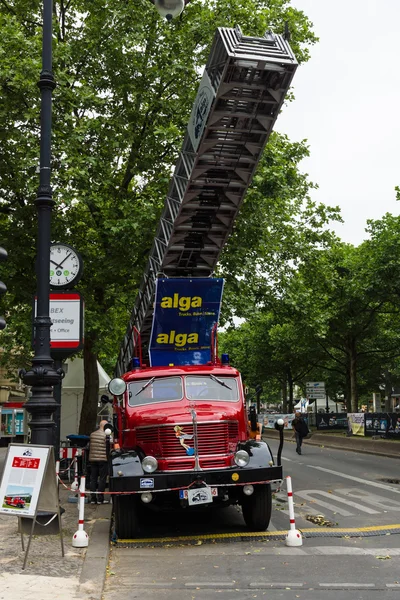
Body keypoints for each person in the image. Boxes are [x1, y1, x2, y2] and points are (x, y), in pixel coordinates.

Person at [88, 420, 110, 504]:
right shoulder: (106, 435)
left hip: (93, 459)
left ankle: (93, 498)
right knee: (102, 479)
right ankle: (100, 498)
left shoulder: (92, 434)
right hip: (103, 460)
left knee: (93, 479)